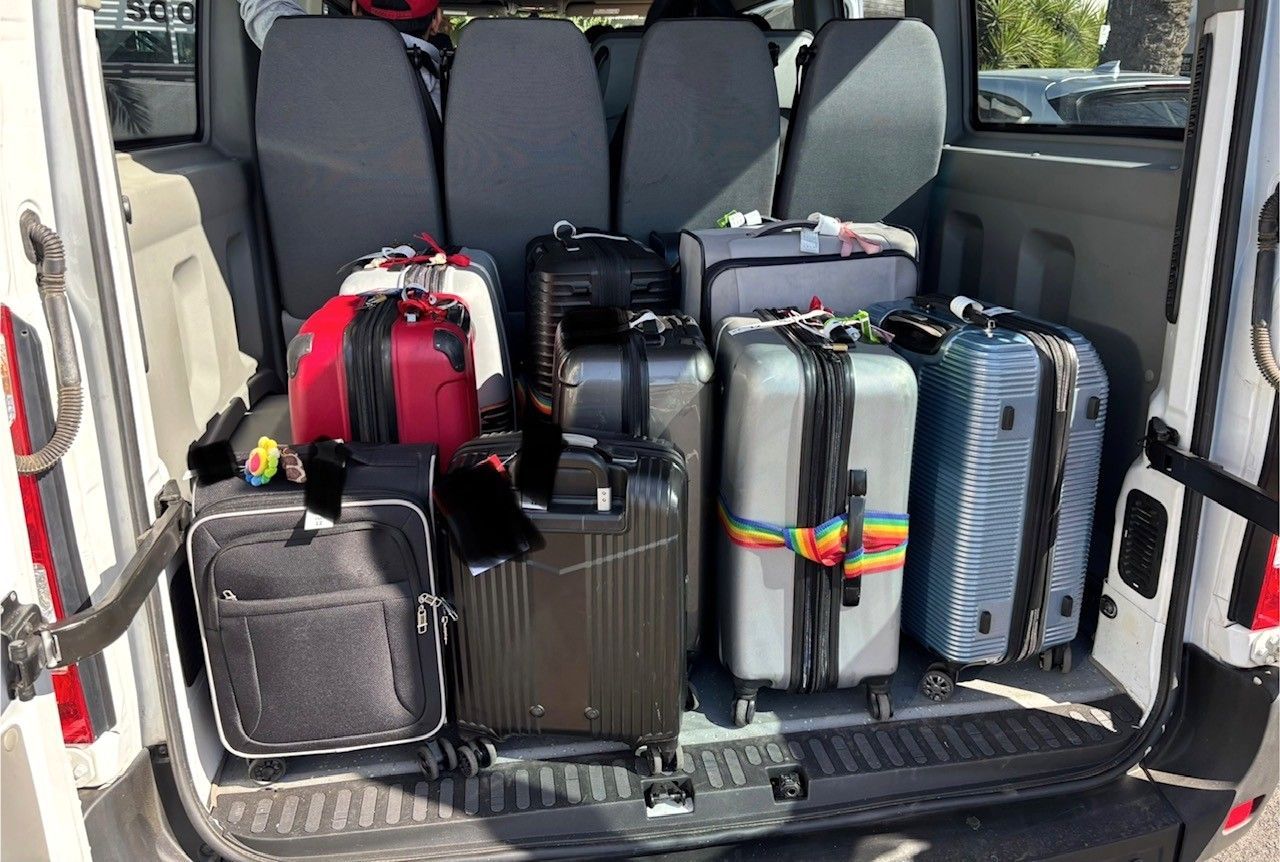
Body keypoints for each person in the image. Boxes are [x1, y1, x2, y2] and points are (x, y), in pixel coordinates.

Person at [238, 0, 447, 117]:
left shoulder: (310, 56)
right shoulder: (455, 100)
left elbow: (264, 8)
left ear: (355, 9)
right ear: (437, 20)